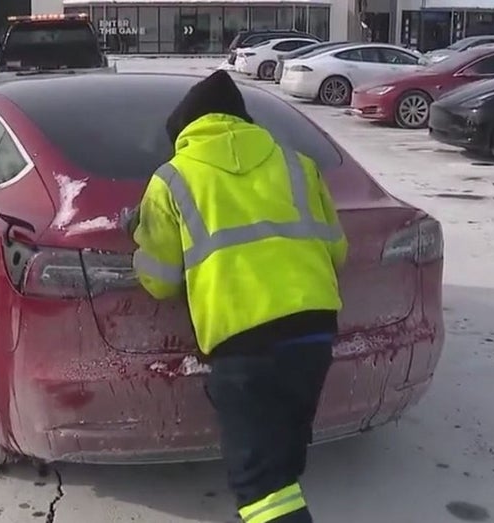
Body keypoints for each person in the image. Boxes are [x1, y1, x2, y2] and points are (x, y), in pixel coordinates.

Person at [121, 70, 348, 523]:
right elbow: (337, 251)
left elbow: (162, 280)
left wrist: (139, 238)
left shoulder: (173, 179)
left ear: (184, 132)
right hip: (314, 332)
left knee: (260, 487)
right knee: (281, 456)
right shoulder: (296, 163)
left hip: (245, 345)